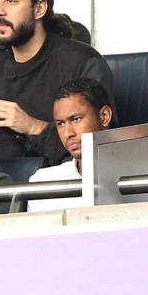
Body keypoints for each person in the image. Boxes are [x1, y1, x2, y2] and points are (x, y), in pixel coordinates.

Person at [0, 0, 115, 165]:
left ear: (39, 8)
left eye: (11, 1)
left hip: (65, 181)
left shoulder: (82, 62)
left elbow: (102, 147)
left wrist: (32, 126)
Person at [28, 78, 113, 212]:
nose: (67, 133)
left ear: (104, 116)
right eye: (60, 124)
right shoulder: (42, 182)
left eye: (76, 119)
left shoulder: (139, 176)